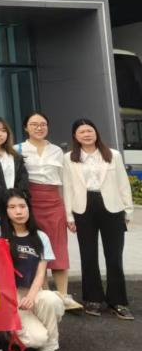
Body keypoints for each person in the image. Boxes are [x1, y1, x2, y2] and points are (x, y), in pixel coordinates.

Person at [63, 118, 134, 320]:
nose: (86, 134)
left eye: (90, 130)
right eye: (82, 132)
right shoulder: (69, 158)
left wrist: (128, 211)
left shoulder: (113, 155)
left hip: (112, 208)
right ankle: (92, 298)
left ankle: (118, 301)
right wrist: (69, 215)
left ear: (96, 133)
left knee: (114, 256)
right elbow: (68, 187)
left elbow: (122, 183)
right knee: (88, 255)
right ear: (75, 136)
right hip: (83, 208)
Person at [0, 191, 65, 351]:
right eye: (12, 207)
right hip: (9, 296)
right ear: (5, 211)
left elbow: (41, 273)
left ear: (28, 208)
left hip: (33, 292)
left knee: (52, 300)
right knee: (36, 339)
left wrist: (31, 296)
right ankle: (10, 332)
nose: (18, 211)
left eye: (22, 206)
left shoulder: (41, 236)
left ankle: (50, 345)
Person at [18, 112, 79, 311]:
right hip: (30, 202)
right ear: (26, 127)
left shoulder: (57, 151)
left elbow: (65, 183)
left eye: (43, 124)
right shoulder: (18, 149)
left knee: (59, 248)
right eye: (34, 124)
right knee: (37, 248)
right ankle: (44, 294)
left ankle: (63, 295)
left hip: (54, 202)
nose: (39, 128)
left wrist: (68, 213)